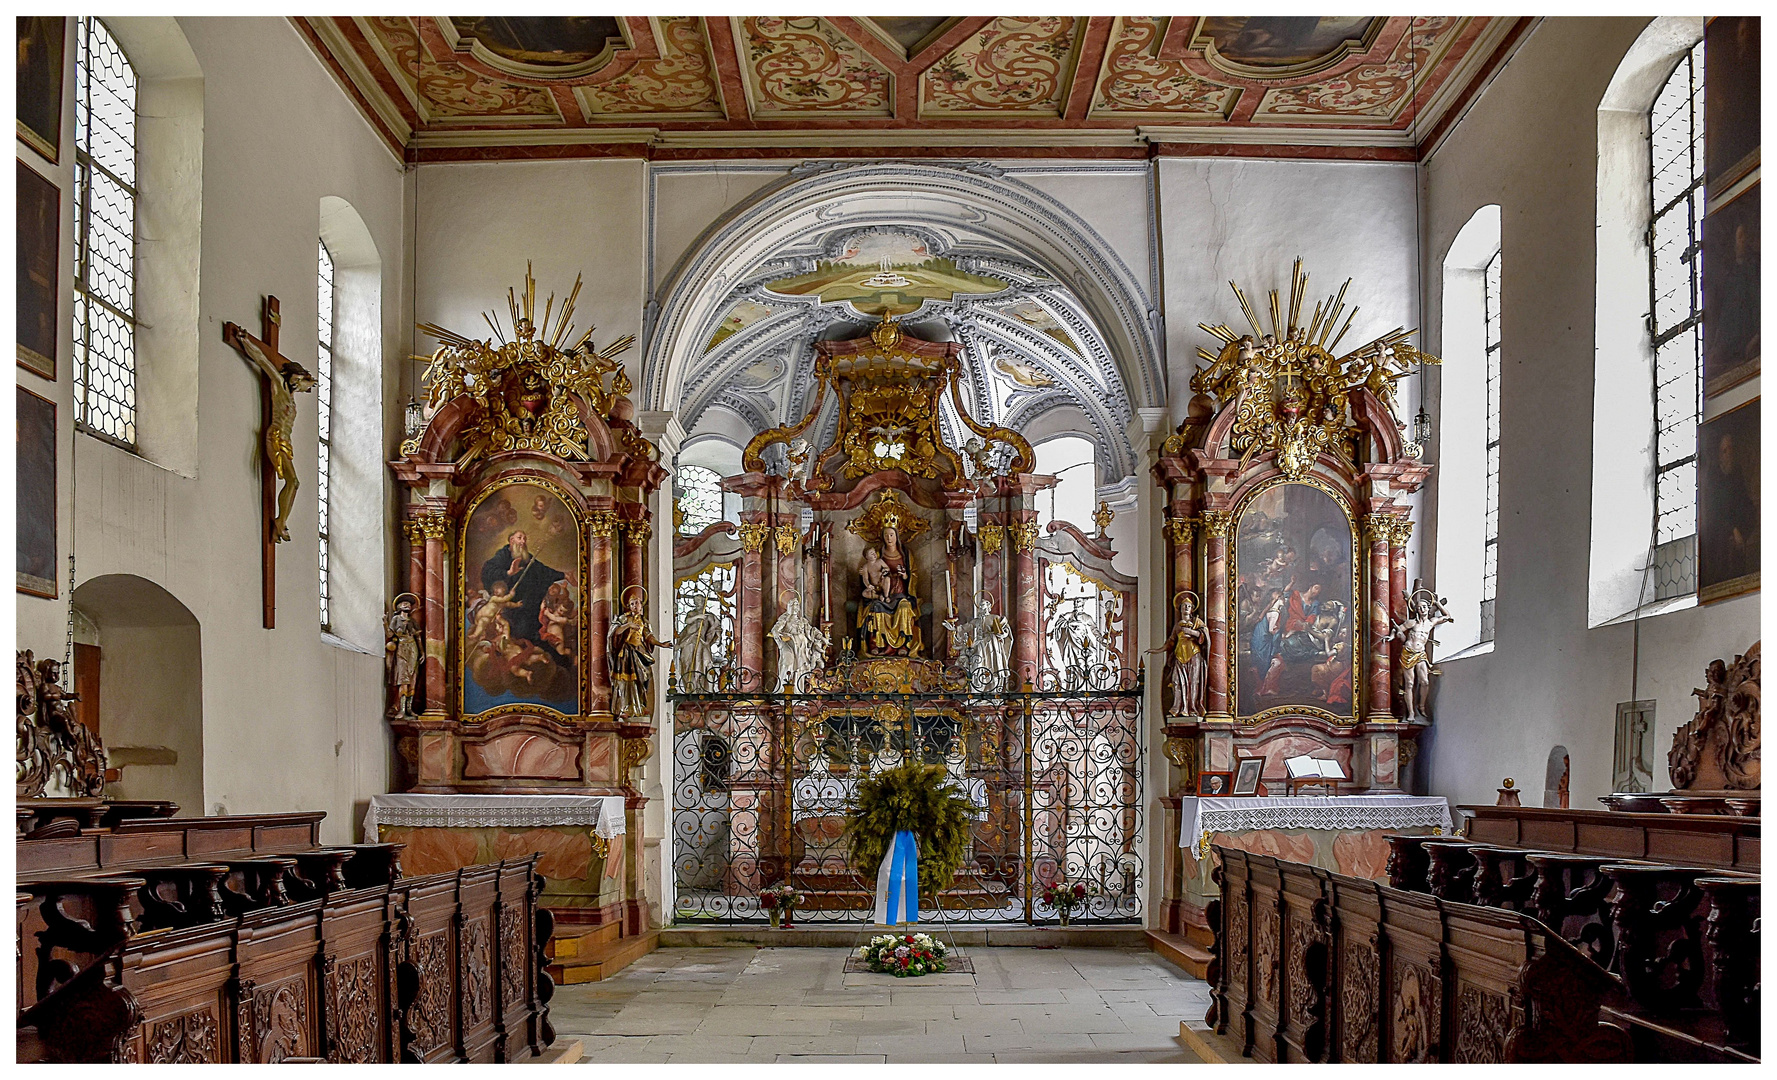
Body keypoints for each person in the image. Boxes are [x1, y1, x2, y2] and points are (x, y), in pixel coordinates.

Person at [480, 529, 567, 656]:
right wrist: (508, 573)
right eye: (520, 538)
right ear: (511, 540)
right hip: (510, 604)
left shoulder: (527, 558)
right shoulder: (502, 555)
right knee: (515, 631)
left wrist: (563, 575)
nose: (523, 541)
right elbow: (488, 571)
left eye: (524, 539)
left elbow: (543, 571)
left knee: (530, 628)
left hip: (527, 603)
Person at [608, 585, 672, 717]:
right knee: (625, 680)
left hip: (640, 652)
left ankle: (640, 705)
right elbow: (615, 633)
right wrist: (628, 625)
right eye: (632, 604)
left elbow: (649, 637)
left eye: (637, 603)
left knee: (643, 677)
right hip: (626, 653)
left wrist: (661, 644)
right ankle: (625, 707)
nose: (635, 606)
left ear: (641, 605)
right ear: (629, 606)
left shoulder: (644, 622)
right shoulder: (624, 619)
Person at [1148, 592, 1207, 717]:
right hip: (1180, 655)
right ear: (1180, 608)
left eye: (1188, 606)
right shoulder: (1177, 626)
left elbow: (1205, 636)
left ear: (1192, 609)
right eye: (1184, 606)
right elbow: (1171, 642)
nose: (1186, 608)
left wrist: (1192, 632)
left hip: (1194, 655)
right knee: (1177, 682)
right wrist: (1158, 650)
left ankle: (1192, 708)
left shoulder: (1197, 622)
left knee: (1193, 682)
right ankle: (1179, 708)